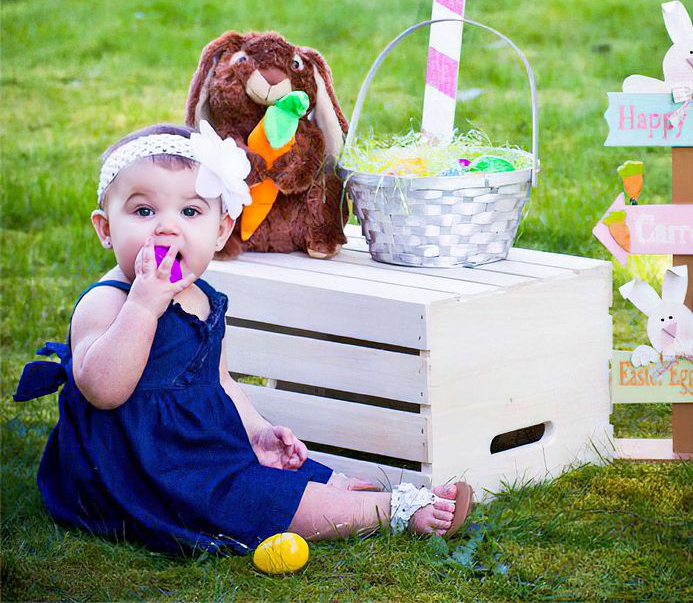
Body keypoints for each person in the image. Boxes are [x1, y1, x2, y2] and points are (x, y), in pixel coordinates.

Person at [14, 122, 473, 555]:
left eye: (190, 211)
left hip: (199, 444)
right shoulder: (108, 303)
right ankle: (391, 512)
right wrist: (142, 307)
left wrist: (257, 432)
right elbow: (104, 391)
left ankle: (360, 491)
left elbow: (222, 383)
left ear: (220, 231)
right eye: (144, 210)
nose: (167, 227)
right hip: (142, 467)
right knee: (248, 498)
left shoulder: (204, 299)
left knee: (287, 467)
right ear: (106, 229)